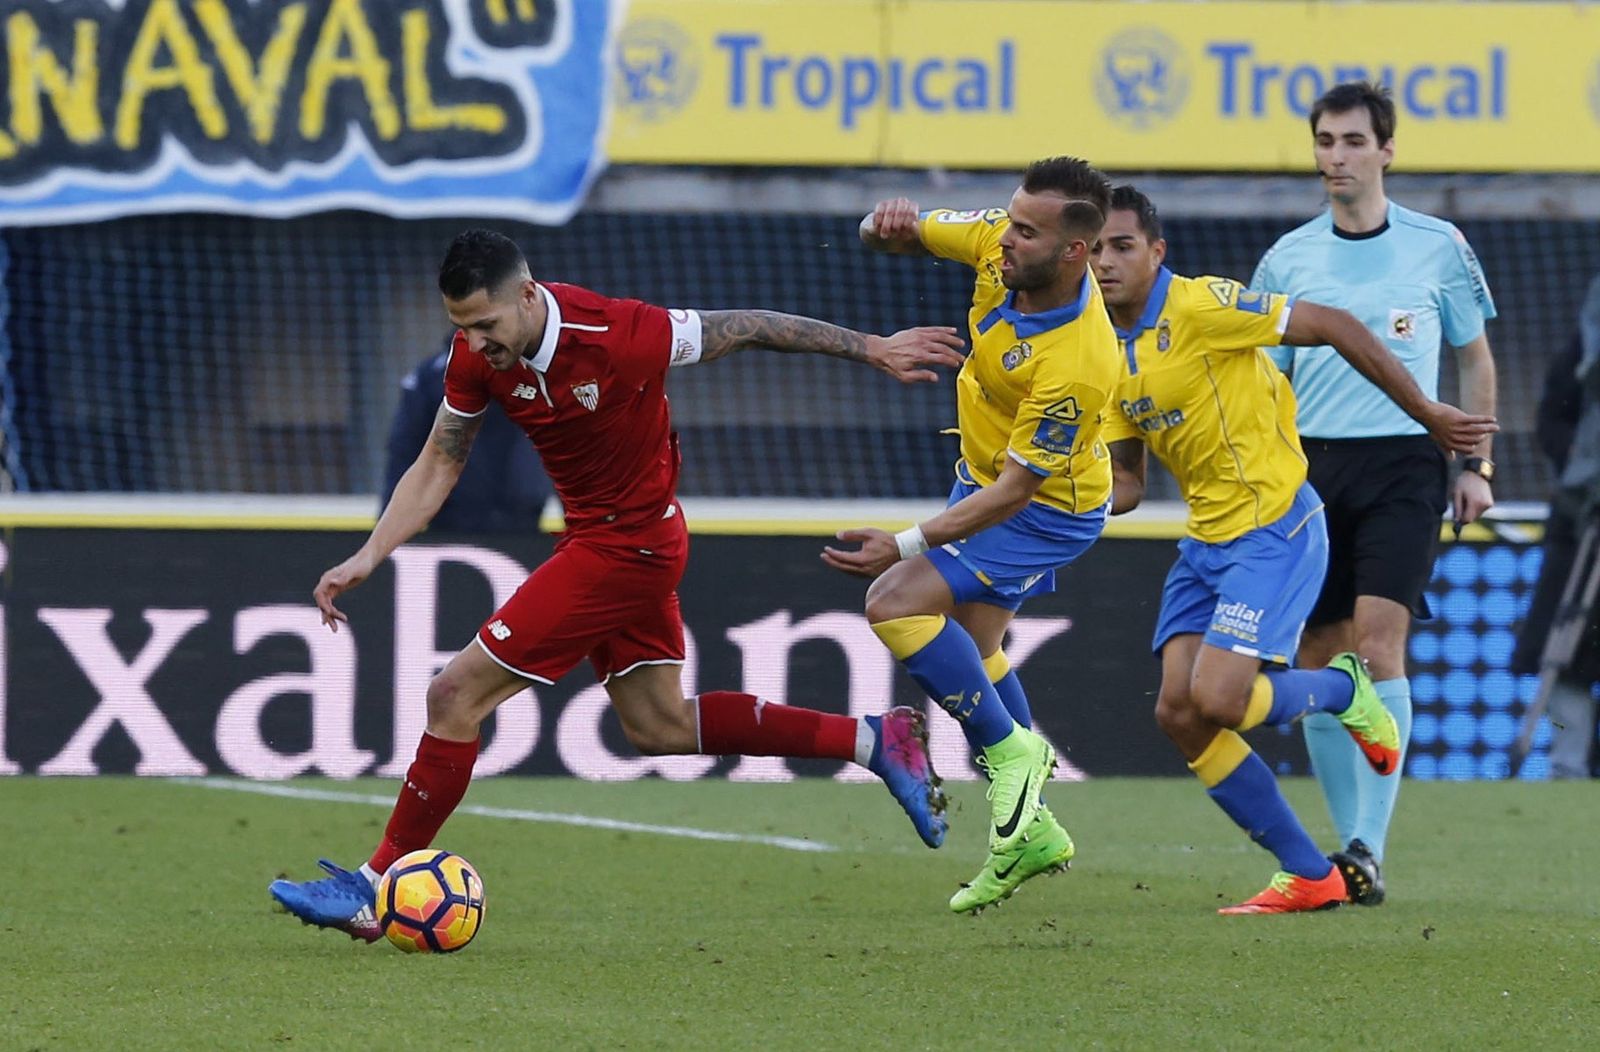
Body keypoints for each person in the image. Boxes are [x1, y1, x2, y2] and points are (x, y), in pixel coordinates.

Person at [269, 229, 968, 940]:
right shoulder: (476, 358)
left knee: (454, 694)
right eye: (461, 328)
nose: (476, 343)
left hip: (629, 546)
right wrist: (370, 553)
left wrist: (872, 346)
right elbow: (439, 461)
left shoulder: (620, 333)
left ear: (528, 296)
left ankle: (371, 886)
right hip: (603, 536)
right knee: (659, 726)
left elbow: (751, 328)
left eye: (486, 324)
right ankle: (874, 741)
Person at [1092, 186, 1495, 912]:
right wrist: (1039, 489)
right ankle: (1312, 873)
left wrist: (1429, 411)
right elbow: (1124, 483)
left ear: (1156, 252)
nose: (1104, 262)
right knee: (1180, 713)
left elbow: (1336, 324)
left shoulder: (1204, 306)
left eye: (1121, 245)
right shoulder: (1097, 348)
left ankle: (1348, 690)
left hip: (1275, 527)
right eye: (1092, 248)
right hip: (1207, 542)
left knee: (1221, 697)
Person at [833, 157, 1118, 914]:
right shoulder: (999, 240)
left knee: (894, 603)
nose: (1005, 240)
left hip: (1044, 508)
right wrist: (884, 222)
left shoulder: (1081, 361)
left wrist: (902, 544)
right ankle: (1031, 830)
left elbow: (1016, 494)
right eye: (1010, 220)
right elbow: (883, 236)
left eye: (1027, 231)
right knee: (979, 647)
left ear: (1073, 252)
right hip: (984, 476)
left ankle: (1011, 754)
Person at [1251, 81, 1500, 905]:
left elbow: (1475, 359)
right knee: (1320, 655)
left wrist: (1477, 467)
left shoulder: (1438, 246)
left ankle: (1368, 846)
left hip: (1404, 464)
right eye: (1325, 141)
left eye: (1353, 141)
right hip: (1310, 469)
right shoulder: (1288, 259)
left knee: (1378, 643)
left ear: (1387, 150)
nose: (1336, 157)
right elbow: (1265, 383)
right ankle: (1343, 842)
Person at [1512, 274, 1600, 778]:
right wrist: (1583, 470)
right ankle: (1568, 766)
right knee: (1563, 652)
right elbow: (1552, 423)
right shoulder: (1577, 361)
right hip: (1579, 522)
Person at [382, 337, 551, 533]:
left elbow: (565, 449)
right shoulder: (430, 378)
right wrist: (388, 537)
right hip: (452, 526)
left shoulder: (535, 373)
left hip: (523, 524)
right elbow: (404, 451)